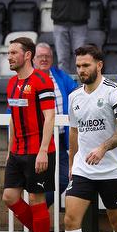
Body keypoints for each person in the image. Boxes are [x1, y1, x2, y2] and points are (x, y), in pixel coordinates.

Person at [64, 45, 117, 232]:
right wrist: (71, 164)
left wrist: (103, 148)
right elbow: (74, 132)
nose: (81, 70)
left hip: (113, 170)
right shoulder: (74, 96)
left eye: (86, 65)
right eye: (78, 66)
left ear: (99, 65)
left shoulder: (115, 92)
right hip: (83, 170)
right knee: (70, 220)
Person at [2, 37, 56, 232]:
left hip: (38, 151)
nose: (9, 57)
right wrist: (9, 150)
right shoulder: (11, 83)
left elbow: (50, 116)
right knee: (9, 197)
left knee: (36, 199)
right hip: (17, 151)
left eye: (14, 53)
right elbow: (13, 118)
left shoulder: (42, 80)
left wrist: (43, 150)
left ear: (27, 55)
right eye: (8, 53)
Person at [33, 42, 78, 207]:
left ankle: (38, 210)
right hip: (36, 140)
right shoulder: (28, 78)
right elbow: (14, 110)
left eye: (47, 56)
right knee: (38, 181)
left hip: (58, 139)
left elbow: (76, 92)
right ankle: (37, 216)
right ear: (33, 59)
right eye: (40, 56)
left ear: (52, 58)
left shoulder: (59, 75)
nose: (44, 59)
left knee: (64, 177)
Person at [51, 0, 89, 73]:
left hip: (80, 22)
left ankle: (80, 83)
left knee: (81, 58)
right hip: (60, 22)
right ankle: (64, 84)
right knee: (62, 59)